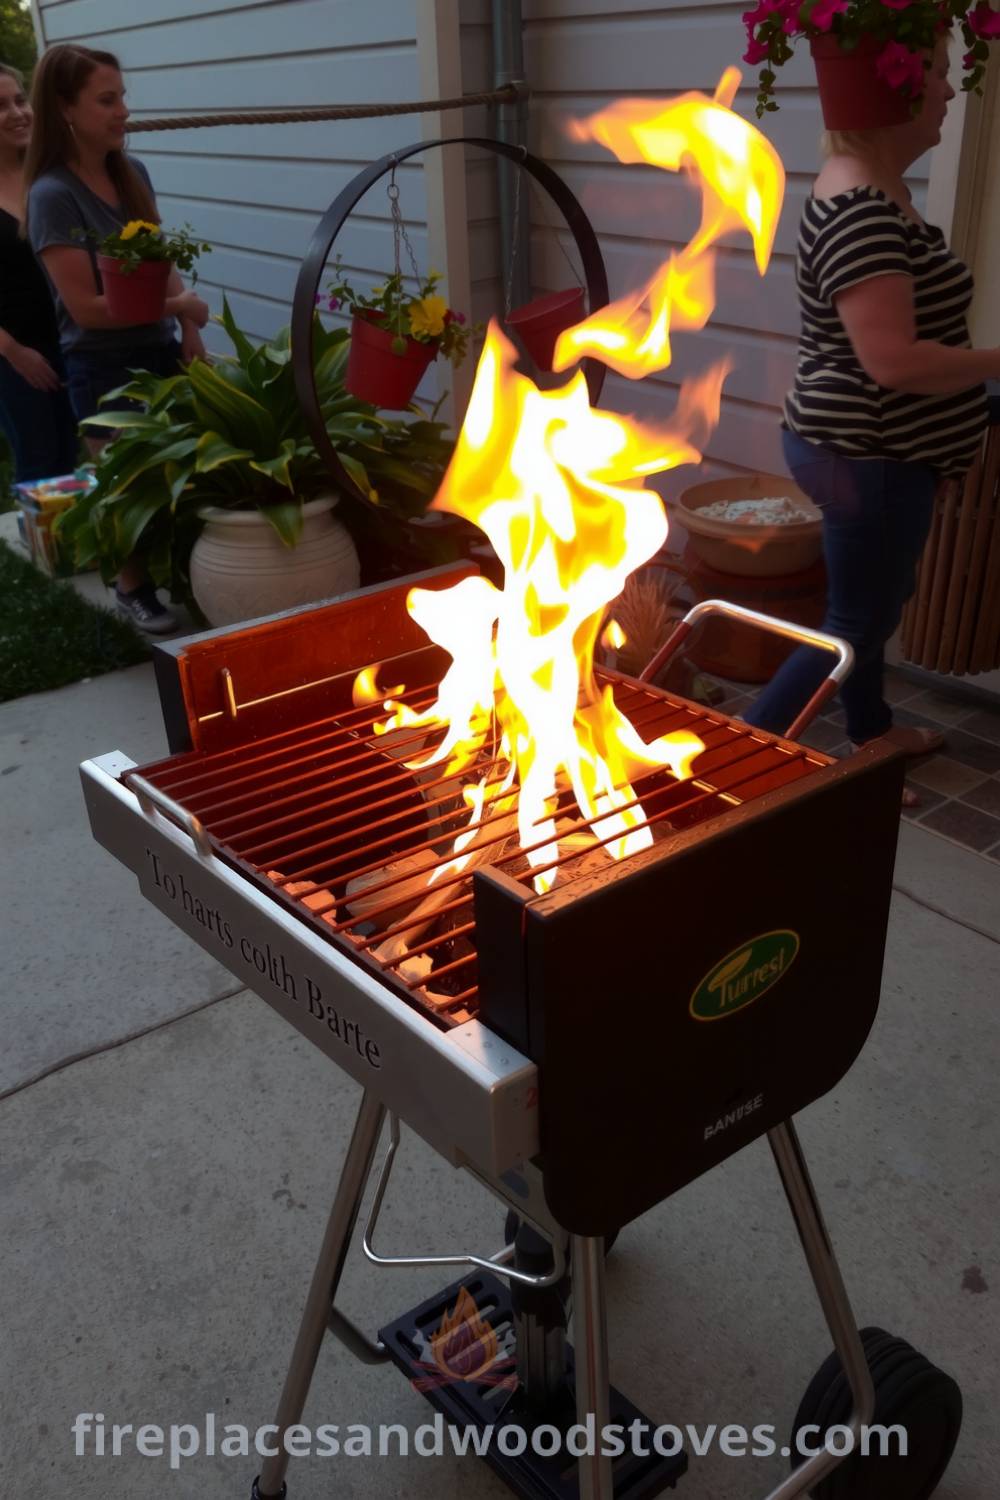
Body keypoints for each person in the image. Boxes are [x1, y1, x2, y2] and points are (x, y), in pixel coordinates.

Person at [742, 36, 1000, 792]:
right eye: (940, 76)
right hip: (868, 455)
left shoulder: (872, 186)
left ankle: (872, 735)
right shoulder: (863, 208)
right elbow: (893, 362)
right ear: (894, 88)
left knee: (866, 610)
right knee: (854, 626)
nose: (950, 93)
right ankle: (736, 763)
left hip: (868, 449)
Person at [23, 43, 209, 634]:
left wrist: (187, 327)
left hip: (159, 349)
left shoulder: (132, 175)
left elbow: (159, 261)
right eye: (107, 100)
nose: (123, 110)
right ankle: (132, 588)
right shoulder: (53, 195)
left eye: (122, 97)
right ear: (65, 108)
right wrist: (180, 306)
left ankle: (184, 572)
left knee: (181, 473)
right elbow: (87, 310)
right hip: (101, 363)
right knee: (126, 484)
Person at [0, 63, 77, 483]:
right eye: (0, 106)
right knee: (39, 460)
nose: (17, 113)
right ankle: (43, 531)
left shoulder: (46, 176)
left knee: (69, 452)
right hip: (11, 354)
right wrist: (14, 352)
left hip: (68, 336)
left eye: (20, 99)